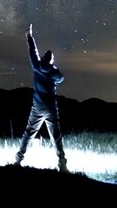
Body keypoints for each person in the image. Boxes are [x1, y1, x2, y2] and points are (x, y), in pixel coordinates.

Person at [13, 23, 68, 172]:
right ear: (51, 60)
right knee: (56, 137)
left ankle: (18, 159)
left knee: (29, 133)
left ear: (43, 58)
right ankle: (62, 164)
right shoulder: (54, 72)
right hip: (50, 108)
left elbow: (33, 51)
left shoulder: (36, 66)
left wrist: (29, 37)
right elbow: (62, 78)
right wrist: (53, 67)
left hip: (37, 107)